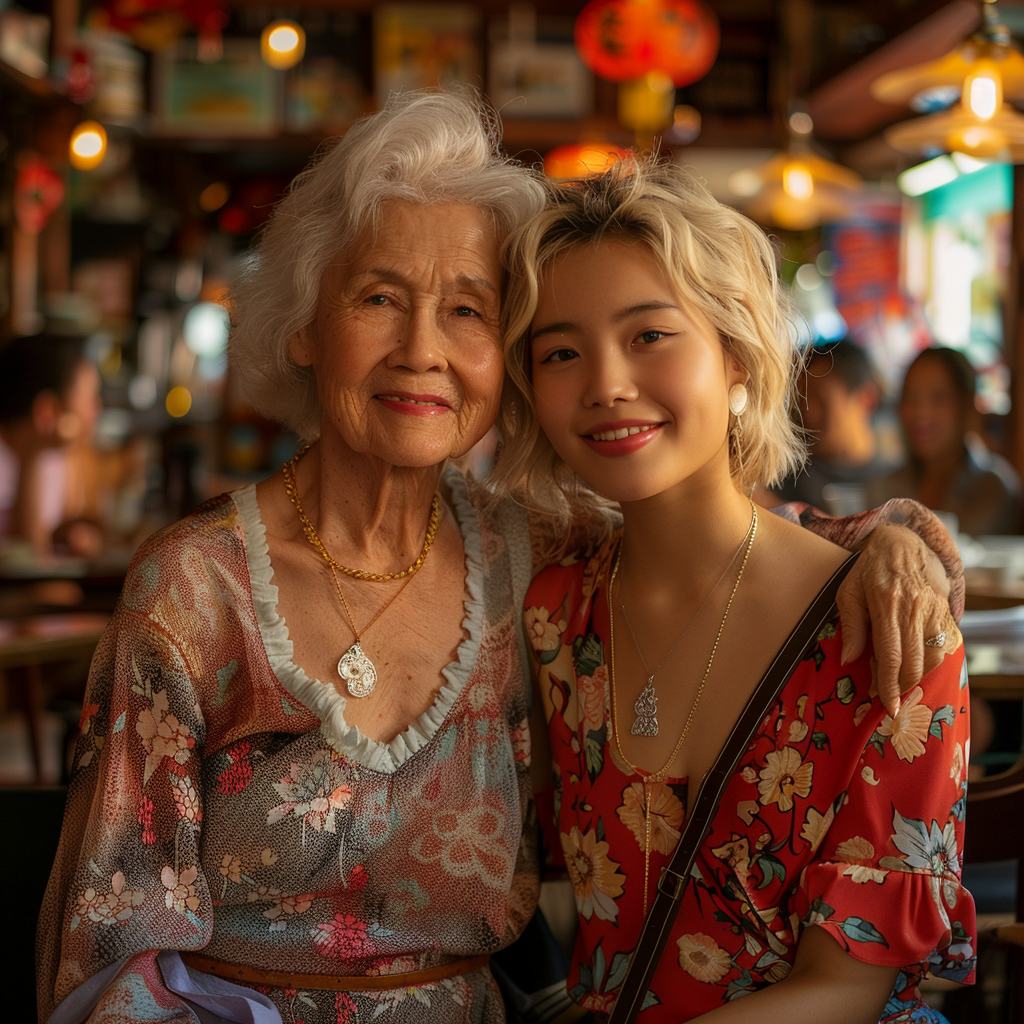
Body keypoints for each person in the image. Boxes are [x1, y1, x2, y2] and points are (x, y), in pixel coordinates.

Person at [37, 92, 962, 1024]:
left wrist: (890, 538)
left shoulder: (526, 555)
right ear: (305, 325)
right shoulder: (198, 588)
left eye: (469, 311)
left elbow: (713, 532)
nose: (423, 350)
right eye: (379, 298)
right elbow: (116, 936)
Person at [493, 161, 975, 1022]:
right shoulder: (555, 613)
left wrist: (897, 541)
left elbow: (847, 986)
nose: (605, 383)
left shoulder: (888, 618)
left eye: (650, 335)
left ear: (740, 356)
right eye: (562, 351)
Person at [866, 346, 1021, 536]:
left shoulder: (993, 488)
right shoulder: (883, 488)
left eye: (938, 398)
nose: (921, 413)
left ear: (966, 406)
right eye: (910, 397)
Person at [0, 334, 104, 560]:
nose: (97, 407)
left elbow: (50, 533)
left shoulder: (61, 457)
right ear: (47, 411)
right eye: (89, 398)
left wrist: (71, 536)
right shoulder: (30, 455)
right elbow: (30, 556)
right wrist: (33, 453)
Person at [775, 339, 893, 515]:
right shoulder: (781, 479)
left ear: (866, 399)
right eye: (801, 403)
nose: (807, 415)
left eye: (821, 401)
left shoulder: (896, 486)